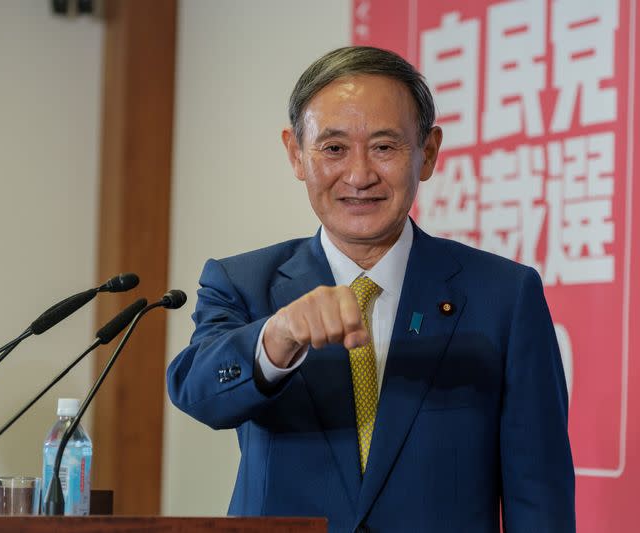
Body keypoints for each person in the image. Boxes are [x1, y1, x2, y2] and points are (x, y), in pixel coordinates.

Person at [167, 46, 575, 533]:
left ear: (427, 153)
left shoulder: (505, 296)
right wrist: (277, 337)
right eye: (334, 148)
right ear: (296, 154)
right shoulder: (243, 282)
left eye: (384, 147)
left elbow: (539, 494)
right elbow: (199, 393)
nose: (359, 175)